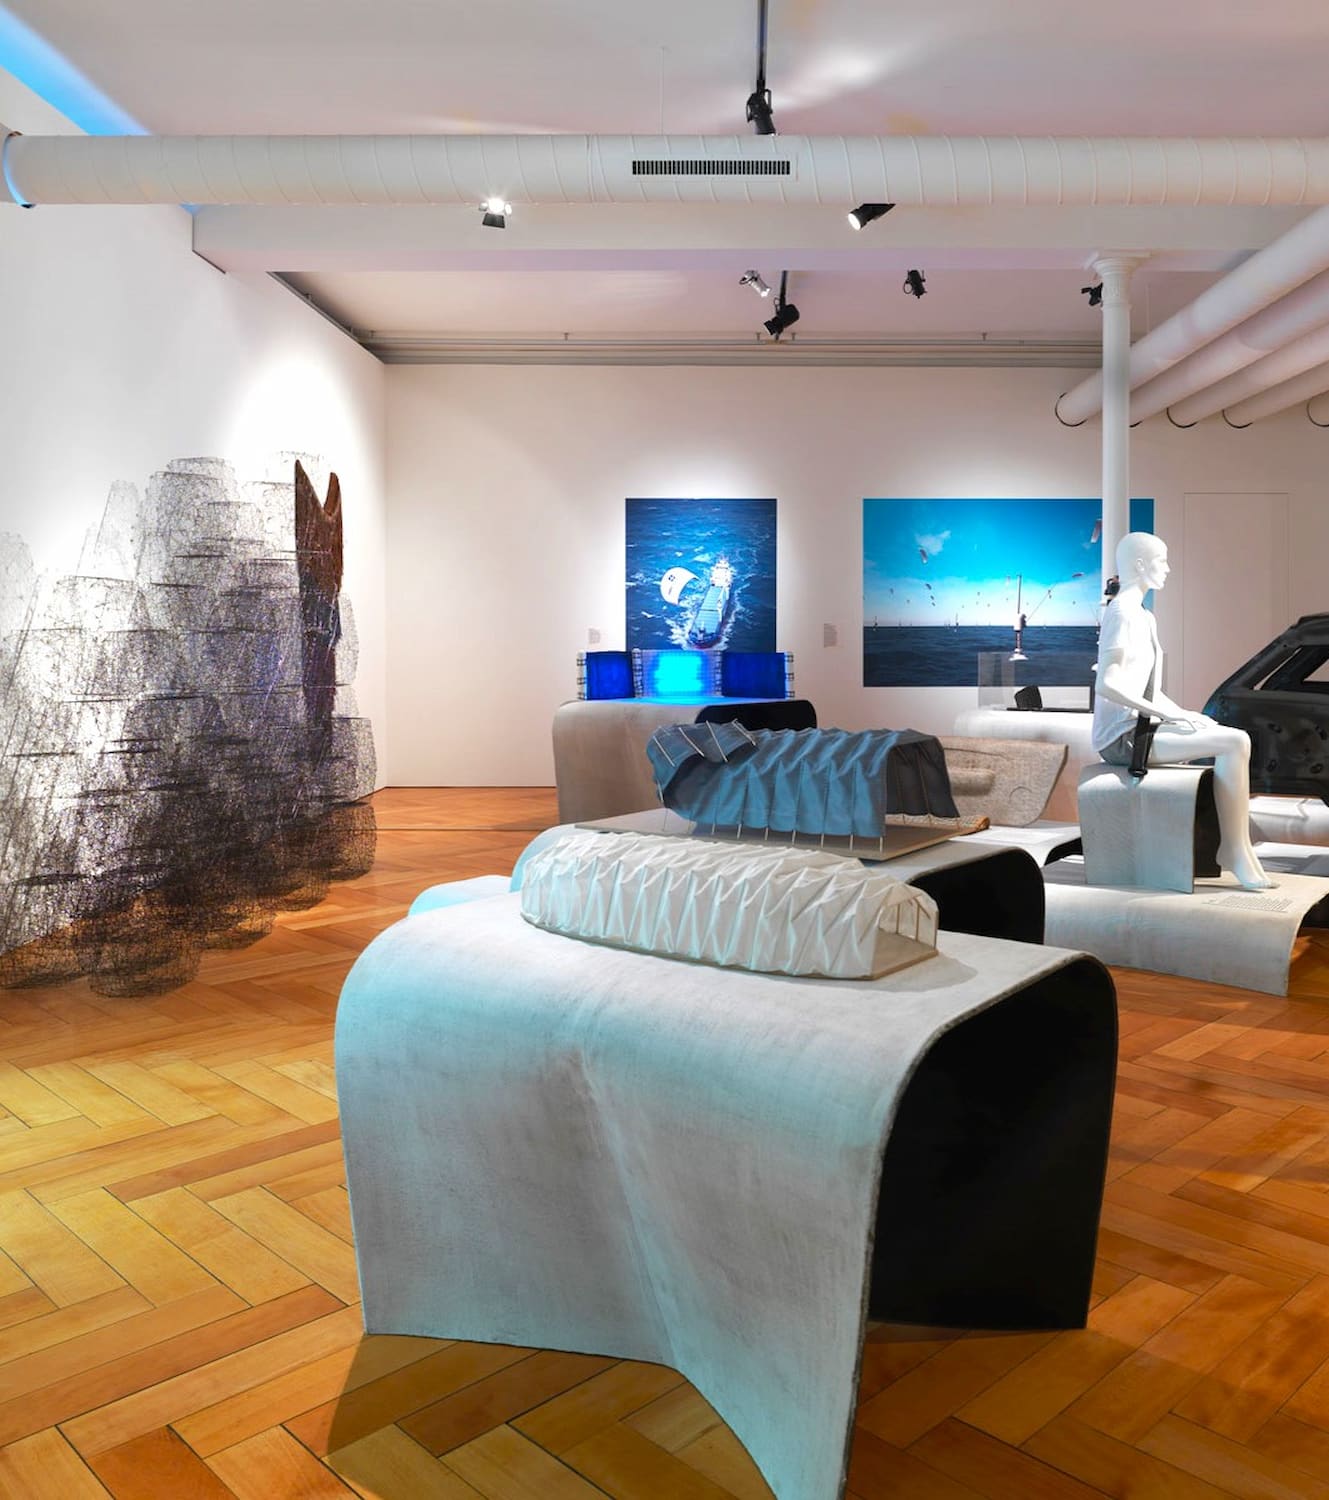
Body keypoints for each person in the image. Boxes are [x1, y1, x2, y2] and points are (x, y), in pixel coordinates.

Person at [1092, 532, 1272, 890]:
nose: (1168, 569)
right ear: (1140, 564)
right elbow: (1107, 684)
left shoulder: (1145, 616)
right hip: (1121, 738)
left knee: (1229, 736)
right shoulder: (1122, 613)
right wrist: (1170, 717)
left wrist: (1184, 713)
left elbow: (1150, 690)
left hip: (1141, 727)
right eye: (1162, 561)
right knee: (1235, 742)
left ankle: (1237, 847)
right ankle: (1234, 849)